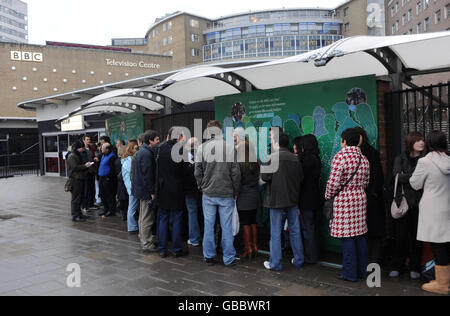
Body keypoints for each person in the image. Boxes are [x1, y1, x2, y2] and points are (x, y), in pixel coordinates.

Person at [325, 128, 370, 282]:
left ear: (344, 141)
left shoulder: (340, 157)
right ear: (359, 141)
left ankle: (349, 273)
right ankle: (363, 271)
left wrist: (328, 196)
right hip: (360, 199)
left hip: (344, 200)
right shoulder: (363, 159)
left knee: (347, 237)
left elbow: (333, 183)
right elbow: (366, 182)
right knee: (359, 235)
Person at [195, 120, 241, 267]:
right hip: (226, 192)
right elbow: (235, 172)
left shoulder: (202, 148)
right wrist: (236, 190)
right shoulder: (229, 147)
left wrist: (201, 185)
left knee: (208, 225)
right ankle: (228, 258)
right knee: (226, 226)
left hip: (208, 193)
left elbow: (197, 171)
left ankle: (209, 256)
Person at [410, 131, 450, 295]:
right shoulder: (448, 159)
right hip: (447, 205)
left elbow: (415, 184)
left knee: (437, 245)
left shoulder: (425, 161)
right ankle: (444, 280)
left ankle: (442, 284)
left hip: (432, 208)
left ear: (430, 144)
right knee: (446, 243)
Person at [262, 132, 305, 271]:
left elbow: (264, 177)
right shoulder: (295, 158)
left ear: (277, 143)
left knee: (275, 232)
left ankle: (275, 263)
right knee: (295, 230)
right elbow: (300, 178)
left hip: (276, 200)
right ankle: (298, 260)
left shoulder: (271, 157)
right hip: (292, 199)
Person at [389, 132, 425, 280]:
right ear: (411, 143)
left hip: (419, 203)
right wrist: (414, 177)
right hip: (402, 202)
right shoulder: (400, 158)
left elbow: (422, 179)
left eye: (422, 140)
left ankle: (415, 266)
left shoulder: (425, 159)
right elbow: (397, 176)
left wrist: (408, 176)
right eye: (418, 140)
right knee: (401, 236)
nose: (422, 142)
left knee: (417, 237)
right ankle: (398, 265)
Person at [354, 127, 385, 265]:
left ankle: (372, 261)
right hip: (364, 198)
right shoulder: (354, 153)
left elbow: (378, 177)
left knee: (372, 232)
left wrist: (372, 193)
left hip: (371, 199)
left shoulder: (370, 153)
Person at [156, 127, 188, 258]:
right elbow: (185, 171)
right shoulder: (181, 150)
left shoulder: (160, 148)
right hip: (176, 189)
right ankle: (176, 249)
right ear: (178, 136)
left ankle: (162, 249)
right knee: (176, 219)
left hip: (163, 188)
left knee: (163, 219)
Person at [293, 135, 322, 264]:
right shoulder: (316, 158)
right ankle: (315, 253)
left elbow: (299, 179)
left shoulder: (306, 161)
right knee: (313, 227)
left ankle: (311, 256)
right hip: (315, 197)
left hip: (306, 199)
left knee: (307, 228)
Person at [132, 130, 160, 253]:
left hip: (140, 190)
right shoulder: (147, 154)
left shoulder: (141, 152)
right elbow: (147, 175)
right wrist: (152, 192)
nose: (159, 142)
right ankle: (147, 243)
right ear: (150, 141)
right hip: (146, 191)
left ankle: (143, 237)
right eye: (157, 139)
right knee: (147, 218)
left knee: (143, 216)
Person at [236, 140, 261, 260]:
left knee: (245, 222)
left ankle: (248, 249)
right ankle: (255, 246)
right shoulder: (257, 162)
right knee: (253, 221)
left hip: (243, 196)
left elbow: (237, 182)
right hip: (255, 195)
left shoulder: (239, 164)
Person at [66, 140, 92, 222]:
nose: (82, 149)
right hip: (76, 179)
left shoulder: (76, 154)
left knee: (80, 197)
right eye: (81, 147)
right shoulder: (72, 156)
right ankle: (75, 215)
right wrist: (85, 166)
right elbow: (75, 167)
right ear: (77, 148)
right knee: (76, 198)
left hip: (80, 178)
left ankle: (79, 214)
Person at [183, 137, 202, 247]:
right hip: (202, 188)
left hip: (190, 189)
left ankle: (194, 238)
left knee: (192, 212)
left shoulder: (184, 157)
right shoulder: (204, 155)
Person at [122, 143, 139, 233]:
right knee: (132, 207)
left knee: (132, 207)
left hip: (131, 187)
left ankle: (132, 225)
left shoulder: (127, 160)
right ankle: (132, 226)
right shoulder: (129, 161)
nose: (137, 150)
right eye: (136, 148)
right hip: (132, 187)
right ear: (131, 150)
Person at [98, 143, 117, 218]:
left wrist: (108, 177)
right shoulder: (103, 155)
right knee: (102, 194)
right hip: (101, 177)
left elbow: (112, 169)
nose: (101, 149)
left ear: (107, 149)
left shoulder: (112, 156)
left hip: (107, 178)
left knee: (109, 195)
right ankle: (106, 209)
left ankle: (111, 210)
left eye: (103, 148)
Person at [81, 135, 96, 213]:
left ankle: (90, 204)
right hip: (85, 172)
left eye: (89, 139)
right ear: (83, 140)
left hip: (91, 171)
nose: (88, 141)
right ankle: (84, 206)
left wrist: (95, 159)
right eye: (87, 139)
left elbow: (92, 157)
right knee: (86, 190)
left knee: (92, 189)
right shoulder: (81, 149)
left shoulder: (91, 148)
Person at [115, 145, 129, 221]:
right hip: (125, 182)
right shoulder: (126, 161)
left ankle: (123, 215)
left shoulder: (117, 161)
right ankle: (126, 215)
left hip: (120, 183)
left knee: (122, 200)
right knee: (126, 200)